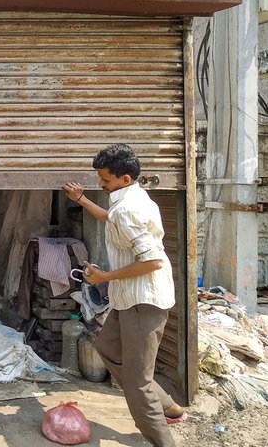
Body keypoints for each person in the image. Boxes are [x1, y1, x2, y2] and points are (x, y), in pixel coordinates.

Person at [62, 143, 186, 447]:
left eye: (105, 180)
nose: (100, 184)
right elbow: (113, 220)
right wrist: (81, 200)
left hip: (144, 302)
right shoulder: (127, 200)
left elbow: (153, 261)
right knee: (107, 347)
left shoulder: (130, 207)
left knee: (136, 381)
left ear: (125, 178)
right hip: (128, 298)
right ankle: (169, 406)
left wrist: (104, 276)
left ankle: (162, 441)